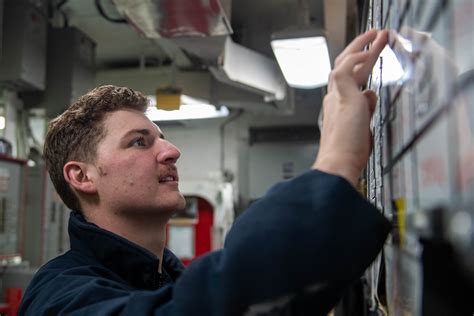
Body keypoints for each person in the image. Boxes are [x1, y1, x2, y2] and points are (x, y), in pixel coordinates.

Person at [19, 29, 390, 315]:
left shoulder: (167, 275)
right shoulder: (61, 296)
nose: (172, 151)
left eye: (162, 138)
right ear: (82, 177)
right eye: (139, 142)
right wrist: (337, 162)